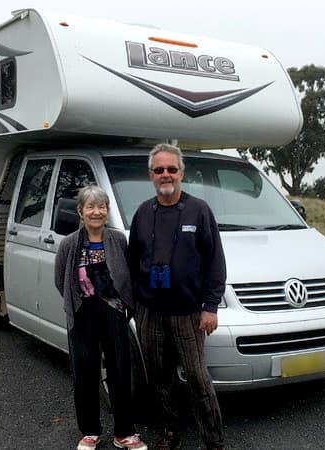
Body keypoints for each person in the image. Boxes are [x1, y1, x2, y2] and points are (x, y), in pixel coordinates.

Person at [128, 143, 226, 450]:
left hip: (188, 313)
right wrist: (133, 306)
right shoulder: (143, 213)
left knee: (198, 379)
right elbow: (133, 263)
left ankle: (214, 441)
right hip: (150, 312)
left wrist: (210, 307)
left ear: (181, 173)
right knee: (159, 378)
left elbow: (215, 262)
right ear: (151, 175)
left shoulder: (199, 210)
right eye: (159, 170)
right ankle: (170, 433)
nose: (166, 175)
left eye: (172, 169)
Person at [54, 185, 147, 450]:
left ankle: (124, 433)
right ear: (80, 212)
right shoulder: (69, 244)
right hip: (83, 313)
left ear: (107, 210)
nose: (97, 212)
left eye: (102, 206)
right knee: (84, 373)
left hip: (114, 312)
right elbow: (61, 280)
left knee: (120, 373)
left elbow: (126, 275)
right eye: (90, 207)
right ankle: (90, 432)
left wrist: (124, 304)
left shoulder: (118, 240)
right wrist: (80, 301)